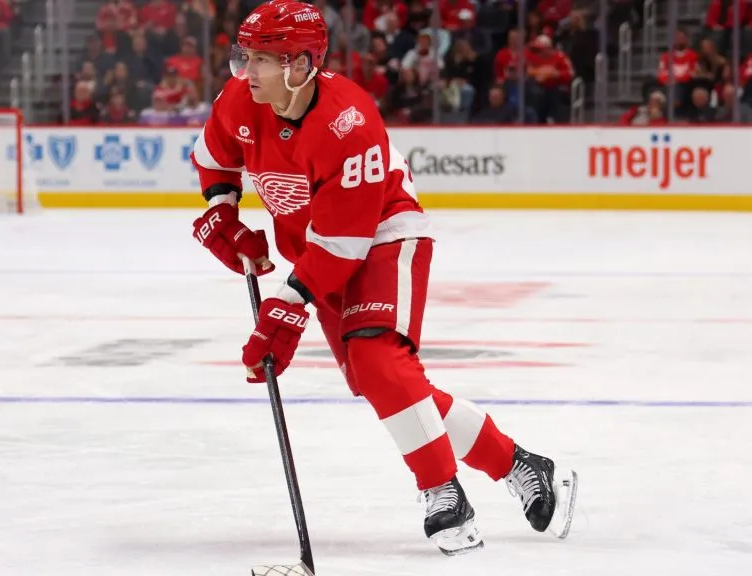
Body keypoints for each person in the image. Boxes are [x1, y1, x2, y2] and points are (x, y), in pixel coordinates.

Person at [190, 0, 577, 555]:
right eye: (244, 56)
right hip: (318, 249)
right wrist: (223, 212)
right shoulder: (239, 100)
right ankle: (519, 464)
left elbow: (346, 242)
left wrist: (286, 306)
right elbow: (214, 158)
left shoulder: (347, 120)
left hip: (382, 234)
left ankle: (444, 492)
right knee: (386, 382)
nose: (246, 71)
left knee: (377, 358)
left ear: (301, 64)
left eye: (262, 59)